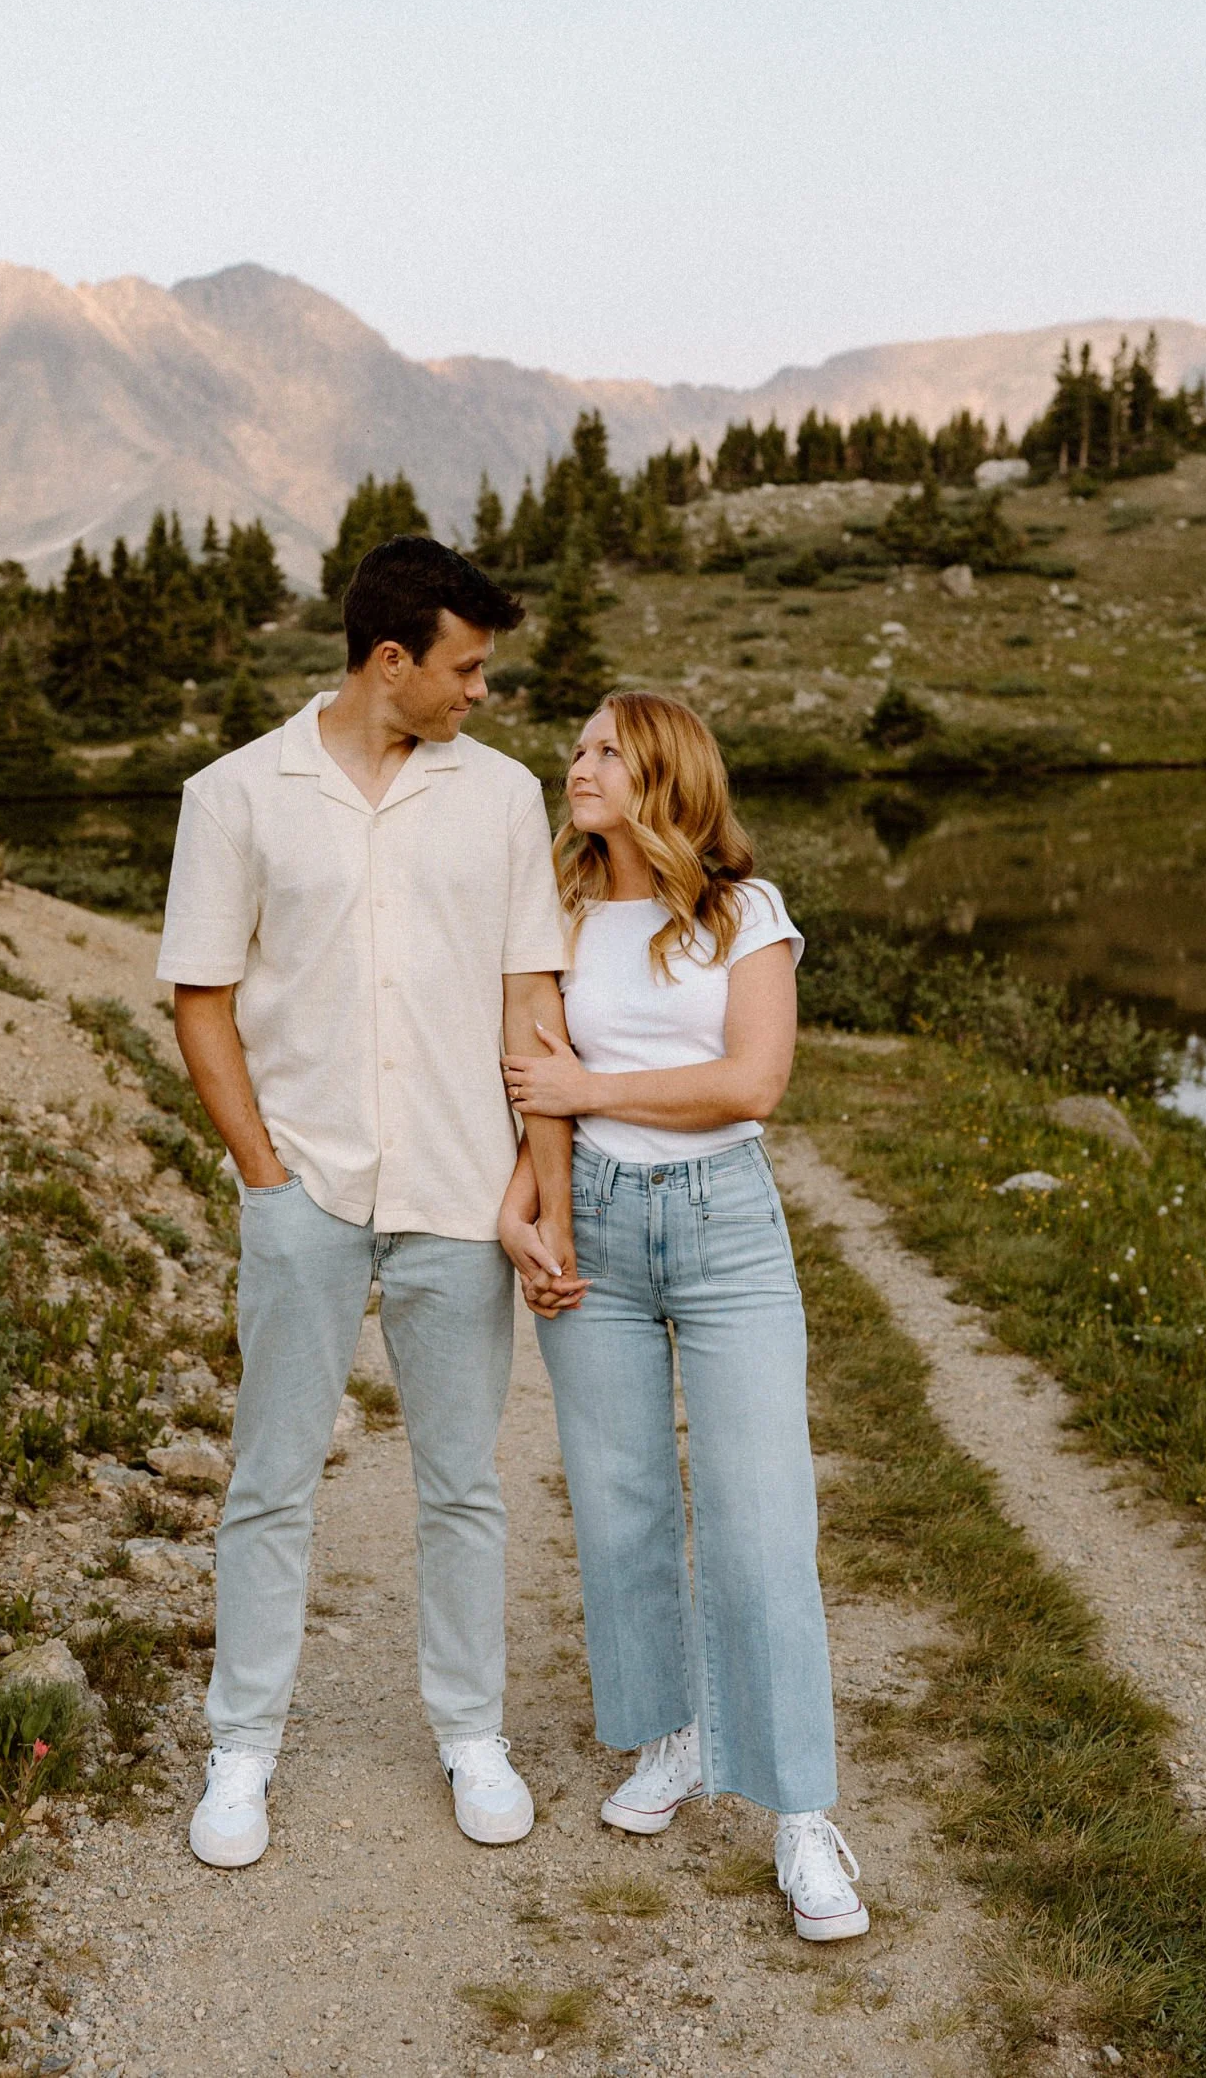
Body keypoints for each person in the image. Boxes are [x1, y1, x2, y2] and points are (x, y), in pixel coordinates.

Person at [157, 535, 575, 1868]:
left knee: (463, 1482)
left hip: (459, 1190)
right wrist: (264, 1181)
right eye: (465, 667)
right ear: (389, 659)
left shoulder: (502, 799)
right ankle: (242, 1749)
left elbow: (529, 995)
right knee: (271, 1478)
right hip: (310, 1192)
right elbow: (200, 996)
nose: (479, 693)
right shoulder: (234, 797)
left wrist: (535, 1178)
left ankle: (470, 1733)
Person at [499, 691, 868, 1942]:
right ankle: (670, 1733)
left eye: (605, 749)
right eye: (579, 745)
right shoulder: (550, 911)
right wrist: (523, 1210)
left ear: (663, 773)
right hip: (588, 1214)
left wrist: (592, 1086)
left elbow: (750, 1081)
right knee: (618, 1504)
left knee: (761, 1521)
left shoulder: (739, 913)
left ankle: (801, 1816)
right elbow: (530, 1087)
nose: (576, 762)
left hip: (723, 1227)